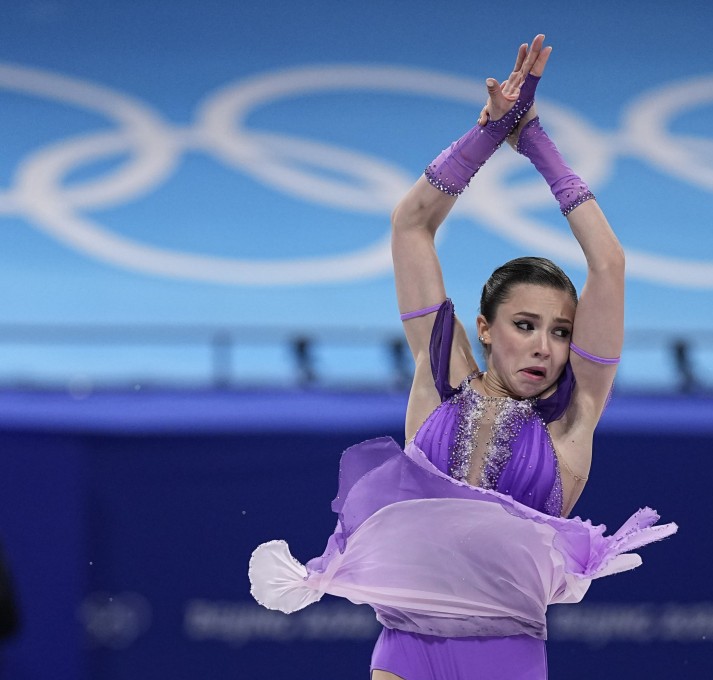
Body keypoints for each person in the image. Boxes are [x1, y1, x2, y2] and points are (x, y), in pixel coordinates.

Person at [249, 35, 675, 680]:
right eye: (525, 325)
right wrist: (489, 133)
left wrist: (535, 141)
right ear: (483, 328)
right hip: (405, 645)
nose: (544, 346)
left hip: (506, 654)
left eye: (561, 332)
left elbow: (608, 264)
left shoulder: (572, 417)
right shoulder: (440, 376)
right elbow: (411, 225)